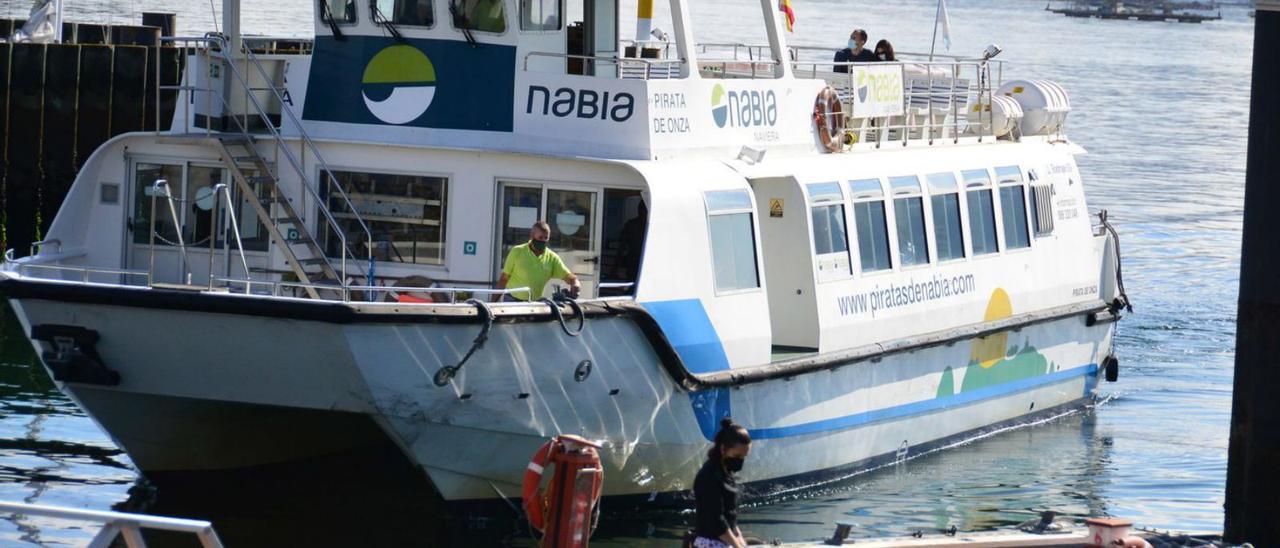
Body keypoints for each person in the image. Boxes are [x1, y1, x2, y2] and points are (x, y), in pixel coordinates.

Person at [693, 418, 752, 548]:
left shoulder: (726, 473)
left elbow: (730, 516)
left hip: (726, 541)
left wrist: (741, 540)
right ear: (723, 449)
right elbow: (715, 520)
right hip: (710, 542)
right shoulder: (709, 476)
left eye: (743, 457)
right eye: (737, 456)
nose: (740, 461)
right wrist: (737, 545)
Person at [494, 220, 581, 302]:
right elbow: (504, 279)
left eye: (546, 238)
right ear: (532, 236)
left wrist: (575, 284)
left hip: (534, 303)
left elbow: (569, 277)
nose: (543, 241)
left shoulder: (552, 258)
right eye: (540, 238)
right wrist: (492, 303)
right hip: (512, 300)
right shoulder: (517, 251)